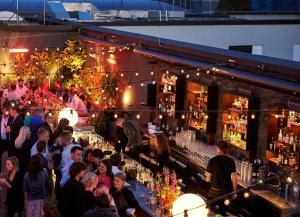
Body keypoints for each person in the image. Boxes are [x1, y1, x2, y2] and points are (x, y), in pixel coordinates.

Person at [206, 141, 238, 215]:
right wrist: (235, 192)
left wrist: (210, 178)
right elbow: (234, 178)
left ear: (220, 149)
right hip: (226, 193)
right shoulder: (231, 161)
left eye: (217, 148)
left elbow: (208, 178)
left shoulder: (212, 160)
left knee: (210, 212)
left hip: (214, 193)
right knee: (222, 213)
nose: (216, 149)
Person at [0, 106, 13, 173]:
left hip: (7, 140)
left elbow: (12, 128)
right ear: (2, 110)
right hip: (1, 139)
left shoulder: (10, 118)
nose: (6, 112)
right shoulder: (0, 117)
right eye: (5, 110)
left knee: (8, 155)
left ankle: (7, 170)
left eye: (7, 110)